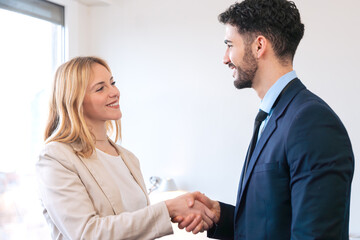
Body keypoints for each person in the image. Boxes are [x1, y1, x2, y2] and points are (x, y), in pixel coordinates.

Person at [177, 0, 355, 239]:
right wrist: (221, 215)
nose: (225, 58)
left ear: (259, 45)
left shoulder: (312, 122)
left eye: (230, 45)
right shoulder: (275, 115)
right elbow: (274, 222)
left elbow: (315, 235)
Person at [36, 56, 216, 239]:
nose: (114, 92)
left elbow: (137, 225)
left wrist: (187, 210)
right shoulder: (56, 157)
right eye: (100, 88)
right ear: (75, 101)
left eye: (112, 83)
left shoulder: (128, 158)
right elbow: (87, 233)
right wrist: (168, 209)